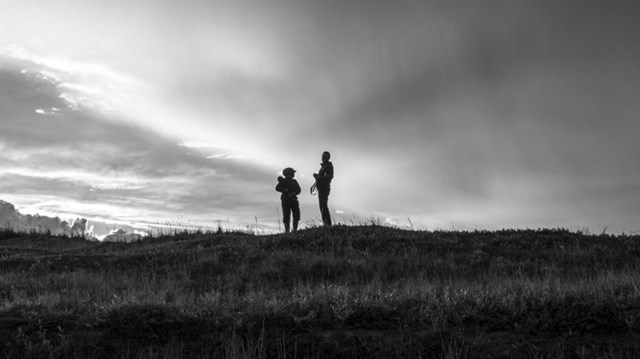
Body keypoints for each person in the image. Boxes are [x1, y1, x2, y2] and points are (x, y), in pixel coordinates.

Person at [276, 167, 301, 233]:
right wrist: (285, 190)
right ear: (290, 173)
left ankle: (293, 231)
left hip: (292, 200)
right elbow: (277, 188)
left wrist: (293, 193)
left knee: (295, 215)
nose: (294, 174)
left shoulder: (294, 181)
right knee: (288, 216)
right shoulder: (284, 181)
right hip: (286, 200)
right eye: (293, 172)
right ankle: (289, 231)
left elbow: (299, 190)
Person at [313, 151, 333, 226]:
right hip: (321, 188)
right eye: (323, 156)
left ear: (328, 158)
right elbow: (326, 176)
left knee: (323, 206)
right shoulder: (324, 166)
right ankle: (326, 223)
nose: (323, 158)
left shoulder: (328, 166)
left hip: (324, 188)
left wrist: (319, 177)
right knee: (322, 206)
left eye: (325, 156)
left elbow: (330, 176)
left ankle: (327, 224)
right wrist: (317, 176)